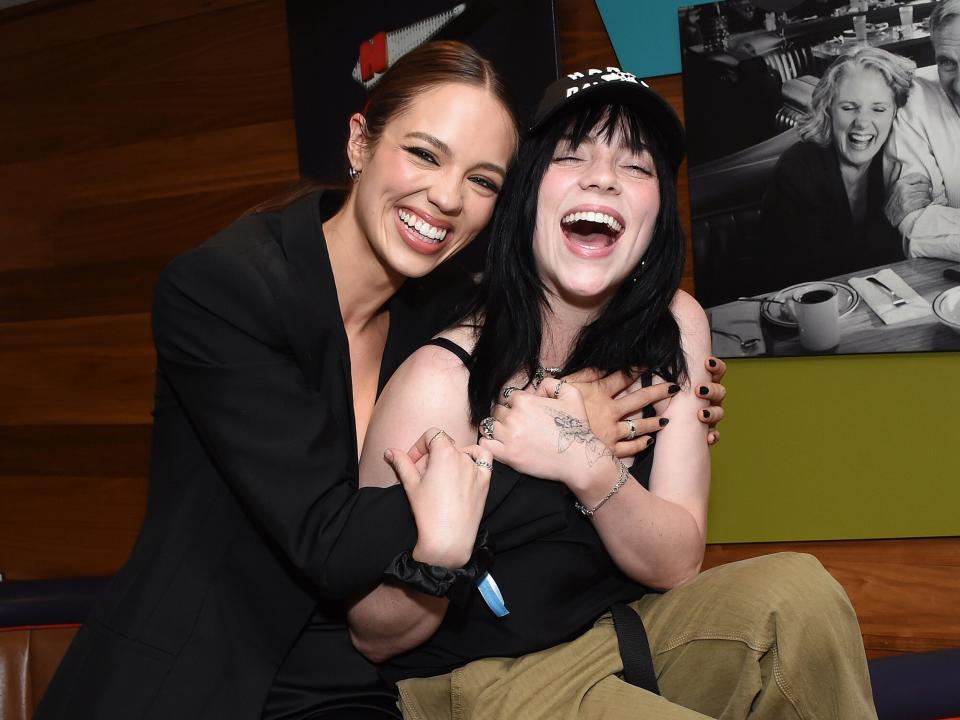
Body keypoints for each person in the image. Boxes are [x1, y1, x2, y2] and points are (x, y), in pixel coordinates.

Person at [35, 44, 726, 720]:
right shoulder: (226, 290)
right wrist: (557, 442)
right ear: (360, 142)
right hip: (198, 671)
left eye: (483, 181)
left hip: (353, 683)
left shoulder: (447, 297)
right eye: (425, 153)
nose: (447, 196)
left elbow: (558, 325)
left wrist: (678, 391)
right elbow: (328, 537)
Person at [349, 68, 878, 719]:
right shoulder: (442, 380)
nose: (602, 178)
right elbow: (369, 634)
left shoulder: (676, 323)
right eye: (572, 156)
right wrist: (440, 555)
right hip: (482, 679)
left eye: (636, 166)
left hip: (619, 632)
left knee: (800, 593)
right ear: (524, 194)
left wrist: (584, 461)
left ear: (656, 215)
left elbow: (677, 560)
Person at [760, 47, 915, 292]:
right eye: (849, 107)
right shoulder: (798, 170)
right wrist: (888, 217)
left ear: (895, 112)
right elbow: (818, 277)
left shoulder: (897, 161)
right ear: (828, 109)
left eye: (878, 109)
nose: (863, 122)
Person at [884, 0, 960, 262]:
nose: (959, 84)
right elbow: (916, 224)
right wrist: (927, 224)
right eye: (948, 62)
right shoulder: (915, 100)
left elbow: (933, 229)